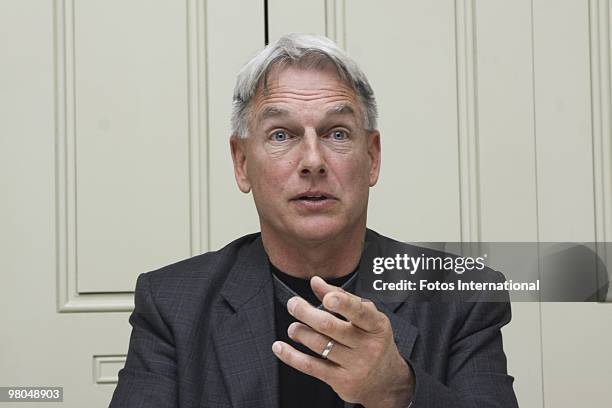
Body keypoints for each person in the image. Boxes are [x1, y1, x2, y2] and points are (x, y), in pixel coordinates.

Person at [110, 33, 519, 408]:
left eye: (337, 133)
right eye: (281, 135)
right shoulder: (172, 303)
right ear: (241, 163)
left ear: (372, 157)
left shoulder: (460, 297)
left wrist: (398, 391)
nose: (312, 161)